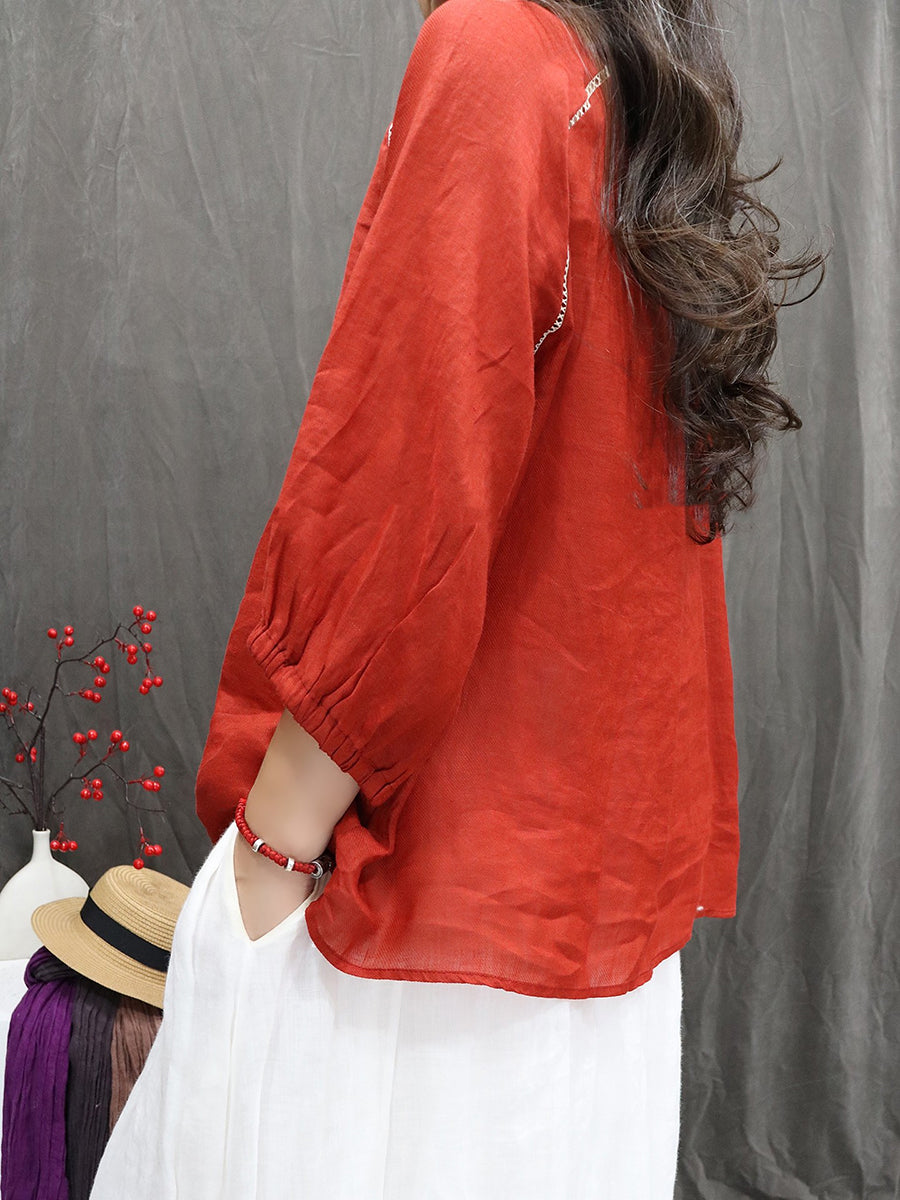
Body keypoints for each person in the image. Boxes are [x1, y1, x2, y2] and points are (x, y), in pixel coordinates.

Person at [89, 0, 824, 1196]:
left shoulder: (499, 56)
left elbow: (408, 503)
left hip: (423, 931)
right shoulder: (631, 74)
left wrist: (267, 853)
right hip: (583, 923)